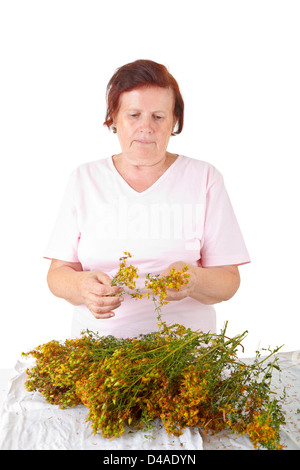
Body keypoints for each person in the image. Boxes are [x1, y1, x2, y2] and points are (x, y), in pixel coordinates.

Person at [45, 59, 250, 339]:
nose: (146, 127)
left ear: (174, 121)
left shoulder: (204, 178)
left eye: (158, 116)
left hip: (185, 354)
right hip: (97, 354)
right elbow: (57, 275)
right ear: (113, 118)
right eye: (134, 115)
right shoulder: (85, 179)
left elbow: (228, 281)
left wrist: (194, 280)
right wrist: (81, 285)